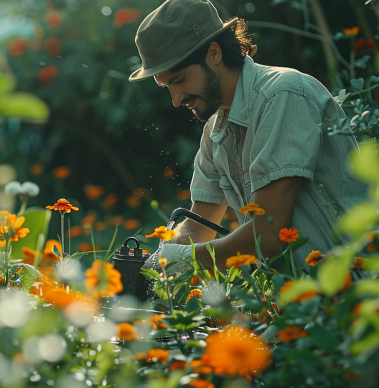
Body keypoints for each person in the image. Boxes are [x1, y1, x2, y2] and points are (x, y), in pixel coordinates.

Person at [128, 0, 367, 272]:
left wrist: (185, 259)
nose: (175, 99)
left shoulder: (283, 95)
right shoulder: (214, 132)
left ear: (214, 54)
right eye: (166, 86)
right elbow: (197, 227)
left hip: (353, 293)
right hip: (295, 300)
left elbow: (269, 236)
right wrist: (156, 262)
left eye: (179, 80)